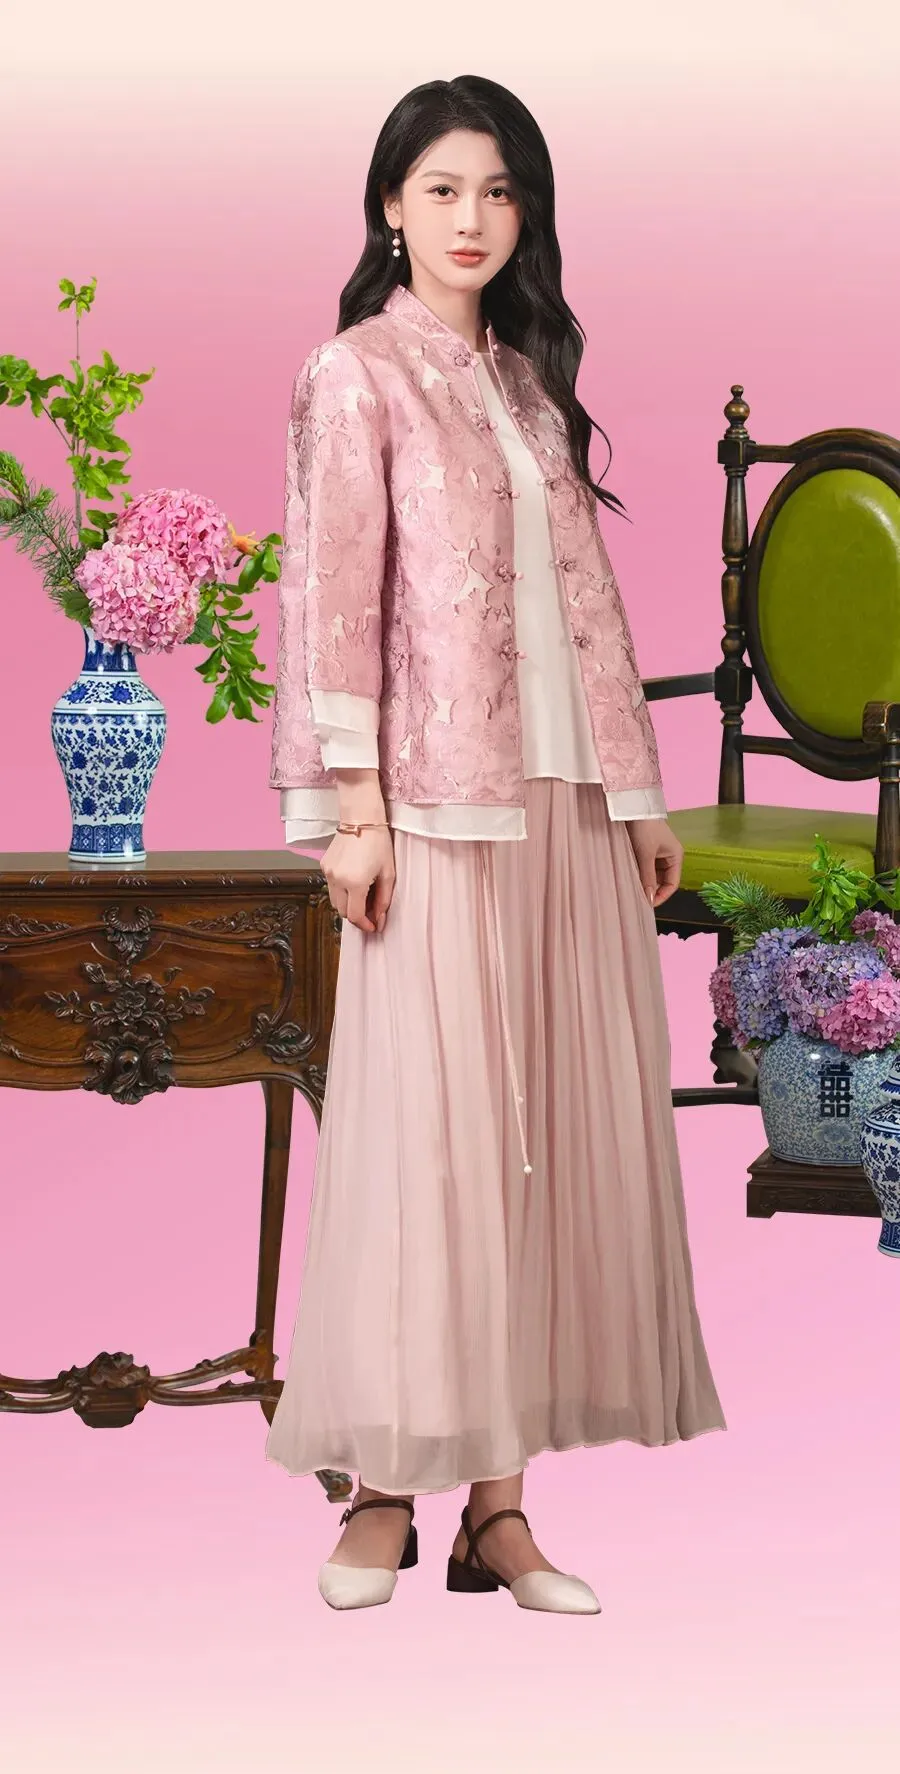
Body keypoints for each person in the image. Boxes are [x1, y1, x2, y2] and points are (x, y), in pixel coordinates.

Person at [265, 73, 726, 1616]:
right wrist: (354, 809)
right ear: (390, 206)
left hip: (560, 808)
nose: (474, 218)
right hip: (431, 807)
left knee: (535, 1156)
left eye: (502, 191)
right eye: (445, 188)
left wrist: (637, 796)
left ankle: (499, 1511)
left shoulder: (527, 387)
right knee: (428, 1148)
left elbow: (588, 606)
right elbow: (332, 597)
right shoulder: (355, 375)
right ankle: (382, 1492)